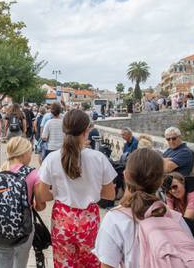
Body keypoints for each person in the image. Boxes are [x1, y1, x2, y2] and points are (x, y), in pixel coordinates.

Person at [37, 109, 116, 268]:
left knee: (64, 262)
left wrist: (58, 192)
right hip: (88, 220)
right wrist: (91, 189)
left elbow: (42, 195)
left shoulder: (52, 159)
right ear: (86, 130)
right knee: (91, 262)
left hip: (62, 218)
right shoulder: (98, 158)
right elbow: (110, 194)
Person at [93, 148, 194, 267]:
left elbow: (107, 265)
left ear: (125, 175)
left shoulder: (115, 219)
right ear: (161, 180)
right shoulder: (176, 219)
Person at [0, 137, 45, 268]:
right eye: (30, 152)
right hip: (23, 228)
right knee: (19, 262)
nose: (31, 155)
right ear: (24, 154)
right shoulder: (33, 174)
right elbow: (40, 206)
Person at [164, 172, 194, 250]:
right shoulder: (173, 197)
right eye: (169, 189)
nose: (172, 191)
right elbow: (171, 217)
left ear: (182, 182)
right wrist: (169, 199)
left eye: (175, 186)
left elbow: (185, 223)